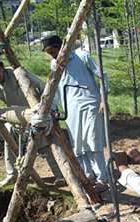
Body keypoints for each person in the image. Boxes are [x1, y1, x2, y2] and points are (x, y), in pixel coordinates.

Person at [0, 56, 65, 187]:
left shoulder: (17, 73)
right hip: (15, 117)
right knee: (9, 138)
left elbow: (41, 85)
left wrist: (47, 108)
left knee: (49, 143)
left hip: (34, 113)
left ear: (2, 67)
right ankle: (12, 175)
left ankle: (60, 175)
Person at [42, 35, 110, 193]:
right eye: (49, 54)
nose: (52, 55)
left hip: (91, 104)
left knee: (93, 141)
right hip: (71, 109)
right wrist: (53, 108)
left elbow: (102, 75)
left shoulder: (82, 56)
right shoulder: (55, 64)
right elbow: (56, 88)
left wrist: (103, 99)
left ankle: (102, 179)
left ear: (60, 46)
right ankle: (88, 176)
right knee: (77, 144)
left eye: (53, 51)